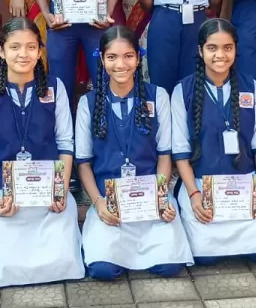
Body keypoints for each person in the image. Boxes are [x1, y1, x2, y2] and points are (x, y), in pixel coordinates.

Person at [0, 18, 84, 287]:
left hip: (48, 194)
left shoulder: (54, 87)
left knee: (63, 264)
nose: (23, 54)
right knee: (8, 269)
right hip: (4, 194)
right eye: (15, 47)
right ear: (1, 51)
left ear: (40, 51)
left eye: (31, 47)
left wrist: (61, 191)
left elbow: (66, 143)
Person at [75, 26, 193, 280]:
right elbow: (83, 163)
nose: (121, 64)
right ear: (102, 59)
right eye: (112, 57)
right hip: (110, 202)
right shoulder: (88, 103)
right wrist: (98, 203)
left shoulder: (157, 96)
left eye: (128, 56)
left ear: (139, 58)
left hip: (150, 199)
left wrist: (162, 197)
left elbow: (164, 156)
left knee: (169, 267)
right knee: (102, 270)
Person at [170, 19, 256, 266]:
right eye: (212, 48)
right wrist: (193, 194)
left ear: (236, 49)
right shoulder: (183, 91)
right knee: (205, 258)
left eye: (227, 48)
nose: (220, 55)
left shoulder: (252, 88)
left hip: (245, 186)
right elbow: (180, 152)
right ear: (200, 51)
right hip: (202, 186)